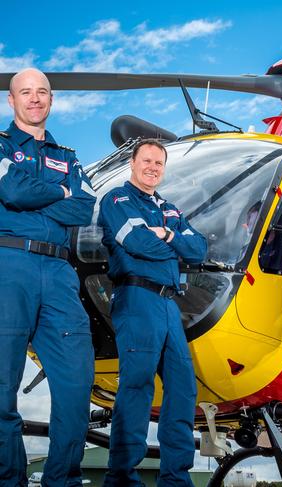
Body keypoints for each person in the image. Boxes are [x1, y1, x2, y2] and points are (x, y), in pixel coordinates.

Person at [0, 68, 96, 485]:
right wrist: (61, 192)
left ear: (51, 100)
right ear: (12, 101)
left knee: (76, 387)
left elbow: (85, 208)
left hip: (59, 272)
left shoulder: (69, 155)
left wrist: (40, 196)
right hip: (9, 269)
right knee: (2, 391)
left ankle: (63, 479)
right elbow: (13, 192)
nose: (34, 99)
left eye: (42, 92)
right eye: (26, 92)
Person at [98, 139, 207, 486]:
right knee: (137, 386)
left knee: (183, 388)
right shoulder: (116, 199)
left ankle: (175, 478)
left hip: (167, 305)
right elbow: (138, 244)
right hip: (136, 298)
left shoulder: (169, 209)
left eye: (159, 163)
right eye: (146, 161)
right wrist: (172, 244)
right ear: (132, 162)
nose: (153, 168)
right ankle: (122, 477)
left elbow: (199, 248)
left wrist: (167, 234)